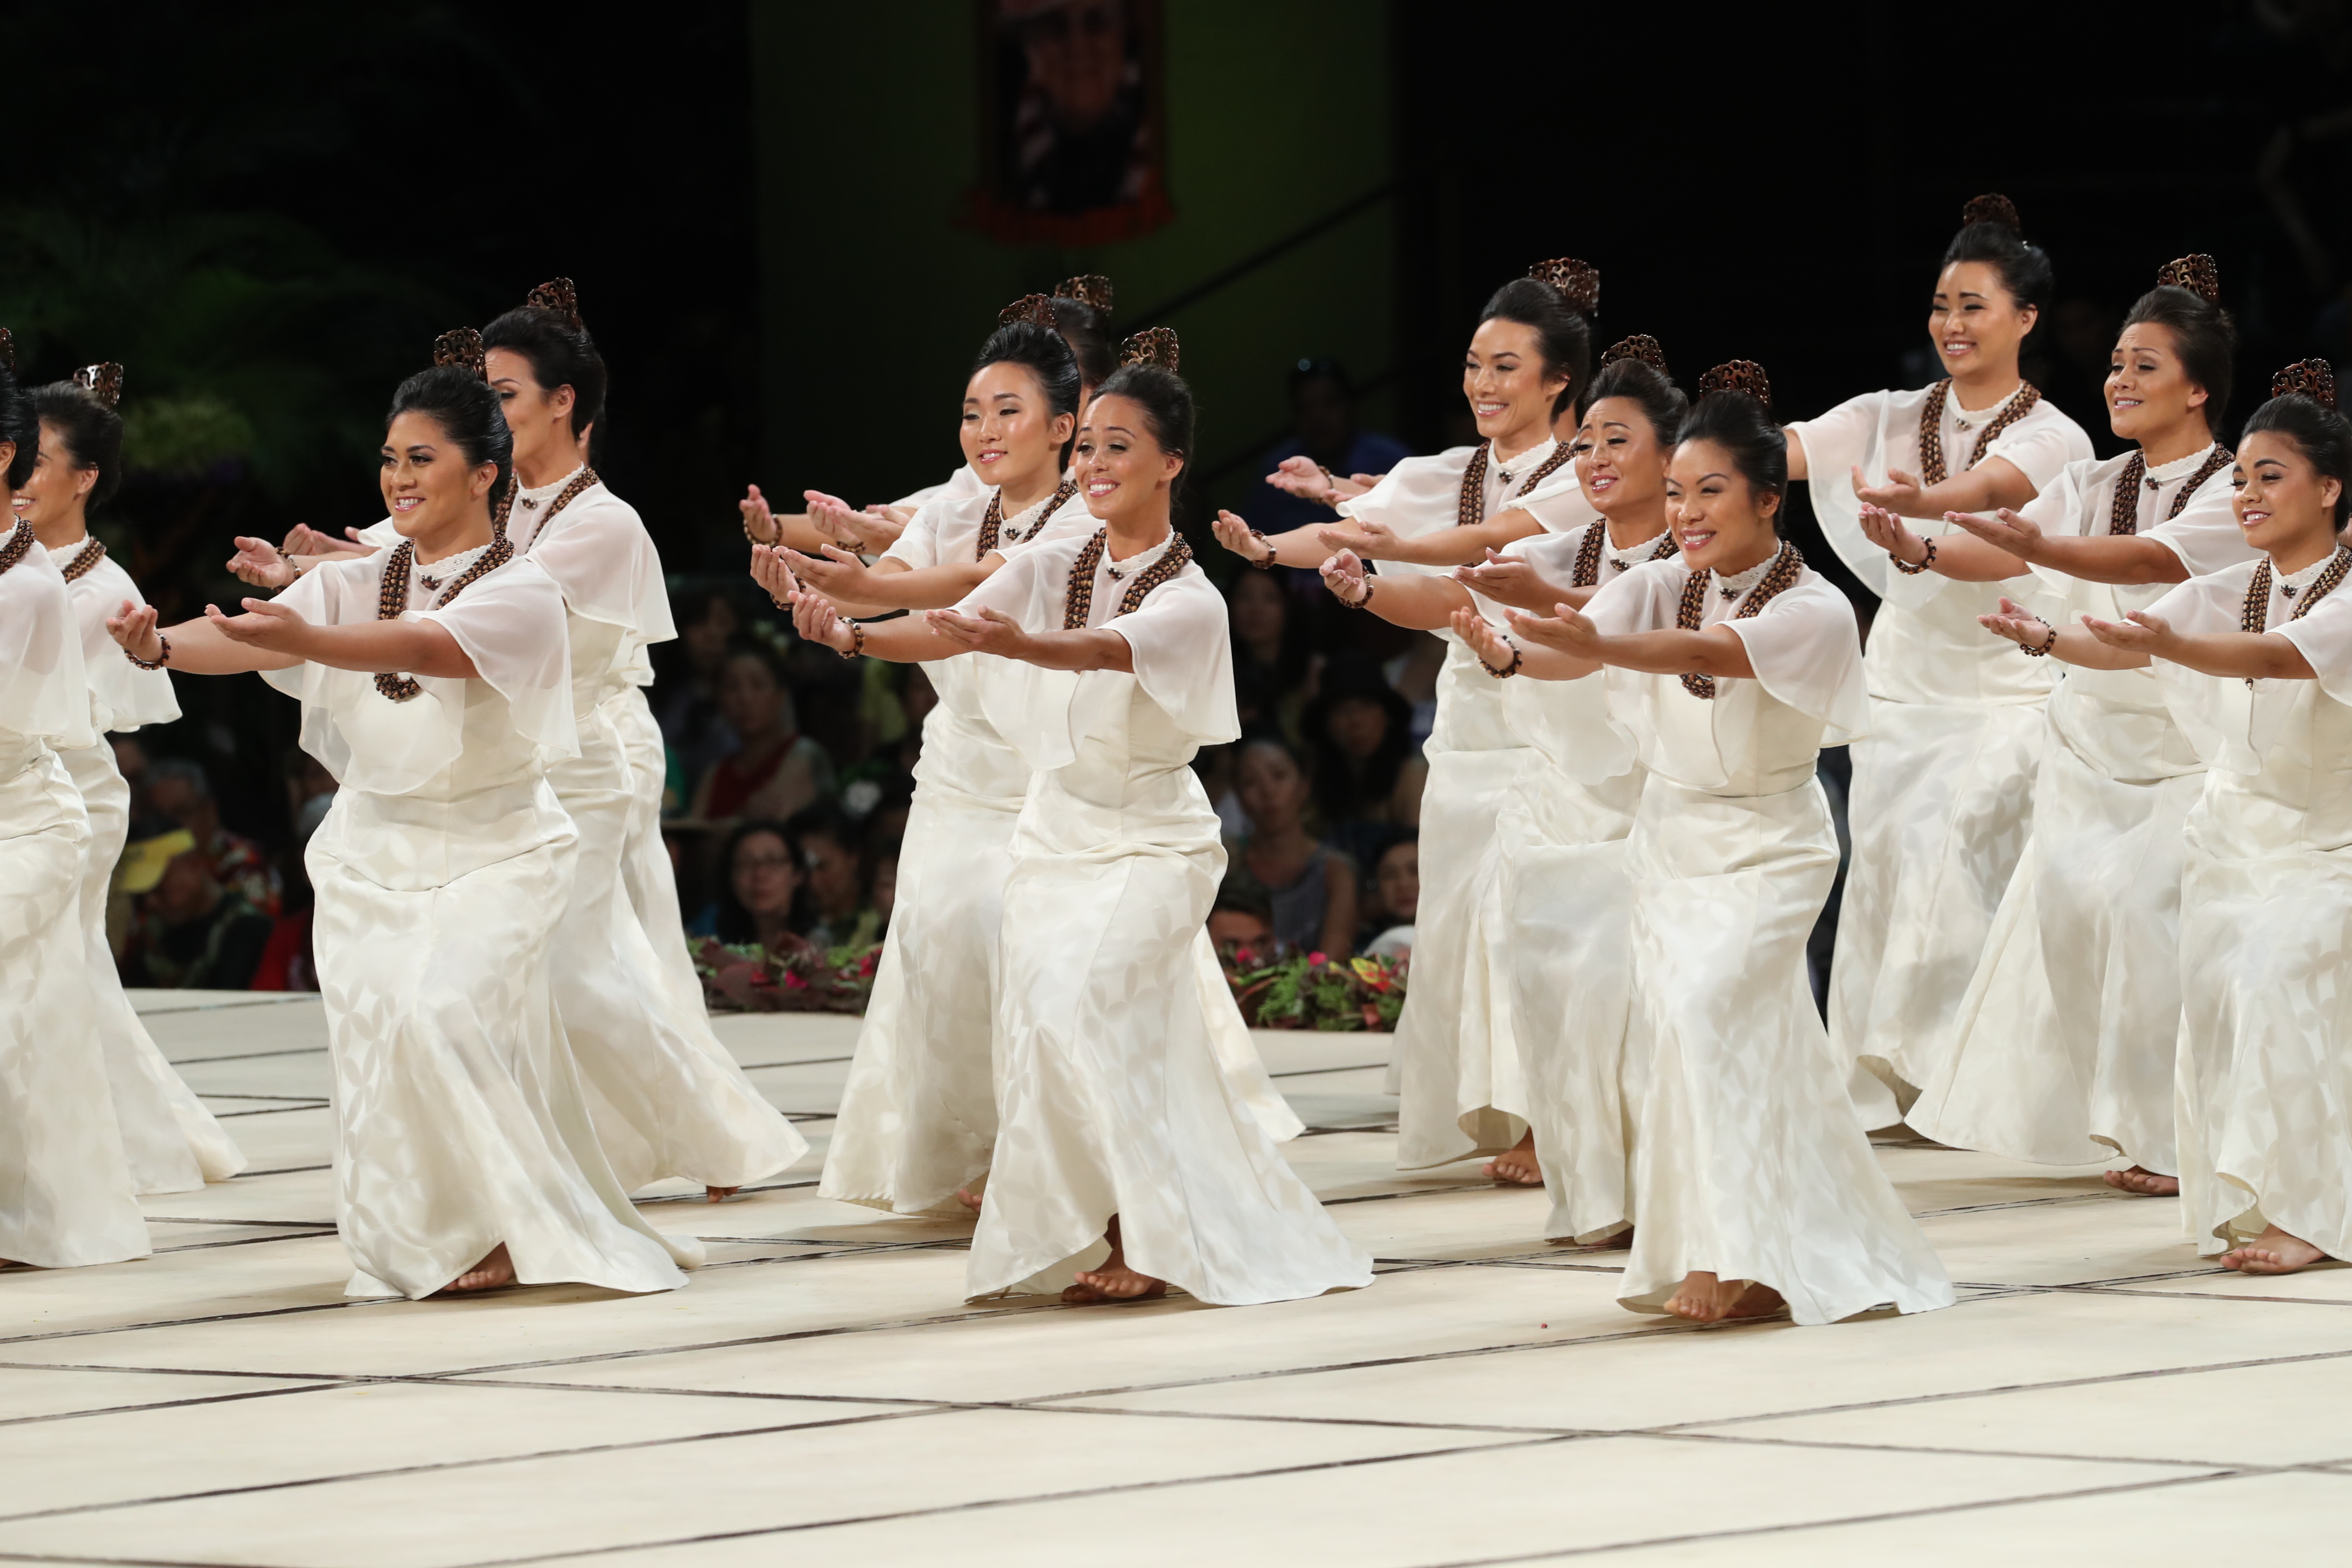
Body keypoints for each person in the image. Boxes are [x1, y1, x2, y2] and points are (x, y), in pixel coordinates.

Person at [775, 330, 1371, 1305]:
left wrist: (1013, 641)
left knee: (1081, 1009)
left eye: (1116, 447)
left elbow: (1097, 651)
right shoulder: (1056, 552)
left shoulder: (1191, 599)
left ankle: (1144, 1227)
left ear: (1170, 462)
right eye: (1086, 445)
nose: (1092, 464)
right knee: (1048, 1026)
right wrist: (849, 622)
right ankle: (1105, 1220)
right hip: (1053, 833)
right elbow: (951, 613)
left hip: (1147, 841)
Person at [115, 333, 698, 1299]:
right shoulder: (361, 576)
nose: (397, 476)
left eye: (421, 457)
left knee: (444, 1014)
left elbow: (434, 648)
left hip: (497, 847)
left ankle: (514, 1222)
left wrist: (312, 631)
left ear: (484, 471)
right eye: (389, 457)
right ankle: (430, 1228)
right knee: (382, 1037)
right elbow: (251, 639)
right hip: (371, 851)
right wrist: (157, 649)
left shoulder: (523, 590)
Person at [235, 282, 809, 1205]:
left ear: (562, 401)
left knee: (579, 966)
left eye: (503, 393)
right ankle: (534, 1160)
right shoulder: (491, 495)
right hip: (495, 737)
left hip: (585, 747)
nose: (489, 410)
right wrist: (299, 568)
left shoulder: (601, 521)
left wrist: (324, 573)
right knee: (554, 966)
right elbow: (404, 556)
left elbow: (491, 593)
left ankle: (713, 1138)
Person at [1480, 360, 1953, 1325]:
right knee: (1724, 1043)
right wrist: (1517, 638)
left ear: (1769, 499)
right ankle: (1760, 1242)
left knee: (1704, 1019)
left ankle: (1733, 1252)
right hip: (1671, 841)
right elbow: (1584, 630)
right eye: (1678, 494)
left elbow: (1700, 656)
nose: (1686, 513)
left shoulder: (1811, 610)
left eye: (1709, 493)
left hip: (1769, 851)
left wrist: (1571, 629)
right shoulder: (1661, 582)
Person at [1977, 361, 2352, 1276]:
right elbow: (2126, 644)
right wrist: (2046, 638)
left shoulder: (2340, 594)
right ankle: (2253, 1191)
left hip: (2327, 844)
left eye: (2270, 475)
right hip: (2235, 836)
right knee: (2221, 1006)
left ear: (2330, 487)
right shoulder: (2247, 582)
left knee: (2271, 986)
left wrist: (2171, 640)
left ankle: (2310, 1210)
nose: (2249, 494)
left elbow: (2274, 660)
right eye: (2241, 477)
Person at [1237, 260, 1601, 1179]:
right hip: (1471, 724)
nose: (1481, 383)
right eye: (1474, 363)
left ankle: (1538, 1115)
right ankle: (1492, 1106)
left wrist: (1375, 534)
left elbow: (1457, 548)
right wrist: (1276, 547)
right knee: (1464, 916)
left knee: (1523, 918)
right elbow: (1395, 565)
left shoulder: (1582, 478)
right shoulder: (1448, 471)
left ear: (1559, 379)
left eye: (1506, 366)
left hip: (1559, 716)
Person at [1900, 257, 2250, 1195]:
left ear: (2198, 387)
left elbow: (2139, 559)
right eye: (2113, 366)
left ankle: (2173, 1134)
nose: (2119, 382)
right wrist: (1920, 543)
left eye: (2143, 367)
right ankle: (2118, 1118)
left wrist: (2042, 552)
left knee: (2145, 921)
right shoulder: (2097, 478)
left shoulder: (2231, 495)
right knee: (2070, 919)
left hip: (2188, 749)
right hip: (2088, 736)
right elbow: (1998, 541)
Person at [1787, 195, 2096, 1127]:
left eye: (1972, 305)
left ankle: (1965, 1079)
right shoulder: (1884, 414)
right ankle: (1892, 1081)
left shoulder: (2056, 435)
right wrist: (1669, 452)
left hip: (2006, 685)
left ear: (2024, 319)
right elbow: (1787, 451)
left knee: (1960, 849)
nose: (1950, 324)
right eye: (1939, 305)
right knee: (1884, 862)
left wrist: (1921, 509)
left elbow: (2000, 510)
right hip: (1903, 684)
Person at [15, 363, 243, 1188]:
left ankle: (82, 1159)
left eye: (34, 461)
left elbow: (73, 715)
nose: (16, 475)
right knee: (56, 973)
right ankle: (130, 1138)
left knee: (55, 969)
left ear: (85, 479)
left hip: (62, 792)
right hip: (20, 784)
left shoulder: (104, 589)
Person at [0, 330, 150, 1271]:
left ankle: (37, 1216)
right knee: (47, 1008)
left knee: (38, 1011)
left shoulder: (29, 588)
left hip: (29, 814)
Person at [1227, 732, 1358, 956]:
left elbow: (1331, 965)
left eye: (1279, 776)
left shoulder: (1336, 871)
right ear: (1239, 796)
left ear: (1304, 786)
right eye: (1251, 782)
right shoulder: (1226, 860)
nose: (1268, 791)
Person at [1247, 360, 1412, 533]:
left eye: (1330, 403)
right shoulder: (1278, 468)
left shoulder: (1393, 460)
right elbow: (1256, 534)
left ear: (1350, 405)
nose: (1318, 418)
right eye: (1305, 407)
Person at [690, 643, 836, 821]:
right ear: (720, 700)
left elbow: (774, 818)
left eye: (758, 685)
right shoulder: (714, 775)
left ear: (781, 696)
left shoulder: (804, 754)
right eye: (732, 687)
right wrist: (744, 815)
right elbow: (693, 837)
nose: (745, 698)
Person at [144, 758, 280, 916]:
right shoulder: (145, 865)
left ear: (210, 811)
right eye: (160, 817)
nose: (171, 828)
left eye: (182, 813)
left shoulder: (244, 863)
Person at [789, 804, 881, 950]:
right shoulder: (791, 923)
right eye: (804, 870)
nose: (813, 881)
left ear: (852, 857)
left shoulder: (883, 919)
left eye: (823, 867)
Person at [703, 818, 804, 949]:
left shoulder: (825, 941)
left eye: (773, 861)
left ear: (798, 874)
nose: (759, 874)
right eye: (746, 863)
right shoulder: (714, 940)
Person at [1355, 830, 1418, 957]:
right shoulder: (1366, 950)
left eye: (1415, 871)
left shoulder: (1463, 940)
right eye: (1390, 875)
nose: (1403, 884)